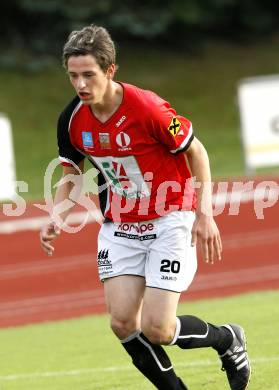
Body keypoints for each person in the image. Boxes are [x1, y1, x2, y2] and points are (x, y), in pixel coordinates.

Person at [40, 24, 251, 389]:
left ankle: (227, 339)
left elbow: (196, 152)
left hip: (170, 218)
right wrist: (56, 216)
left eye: (88, 74)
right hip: (120, 226)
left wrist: (205, 214)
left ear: (110, 70)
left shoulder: (147, 108)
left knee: (158, 328)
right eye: (73, 76)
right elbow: (73, 174)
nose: (80, 85)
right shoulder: (72, 119)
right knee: (122, 322)